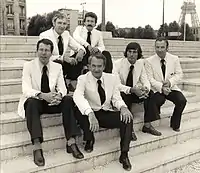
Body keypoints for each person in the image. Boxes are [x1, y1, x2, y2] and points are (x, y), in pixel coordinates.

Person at [17, 39, 84, 167]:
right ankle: (37, 146)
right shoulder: (28, 66)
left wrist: (58, 95)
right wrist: (42, 95)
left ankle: (71, 142)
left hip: (52, 101)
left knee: (68, 100)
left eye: (47, 50)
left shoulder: (57, 66)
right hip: (37, 101)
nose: (44, 53)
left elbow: (63, 88)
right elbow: (25, 89)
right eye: (41, 50)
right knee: (30, 102)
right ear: (37, 51)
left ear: (51, 52)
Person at [73, 52, 133, 171]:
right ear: (89, 66)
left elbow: (116, 98)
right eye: (93, 66)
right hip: (89, 112)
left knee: (127, 119)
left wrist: (123, 107)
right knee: (79, 110)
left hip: (104, 111)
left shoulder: (112, 78)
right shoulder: (83, 79)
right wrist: (90, 113)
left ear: (104, 67)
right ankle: (89, 139)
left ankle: (124, 154)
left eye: (99, 66)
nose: (96, 69)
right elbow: (78, 96)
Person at [113, 42, 162, 138]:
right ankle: (128, 128)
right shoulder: (117, 64)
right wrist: (132, 90)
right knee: (125, 96)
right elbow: (116, 85)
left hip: (135, 91)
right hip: (122, 92)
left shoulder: (140, 64)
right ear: (126, 53)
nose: (131, 54)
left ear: (138, 54)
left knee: (151, 94)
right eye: (129, 51)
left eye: (134, 52)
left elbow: (145, 80)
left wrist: (145, 89)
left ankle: (147, 125)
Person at [145, 37, 187, 132]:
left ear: (167, 48)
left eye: (162, 47)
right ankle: (153, 118)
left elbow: (179, 74)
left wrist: (170, 82)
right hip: (157, 88)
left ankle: (175, 124)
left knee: (182, 100)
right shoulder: (149, 61)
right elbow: (150, 79)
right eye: (157, 47)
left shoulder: (174, 59)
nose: (159, 50)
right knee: (158, 99)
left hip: (171, 87)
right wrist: (161, 87)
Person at [39, 12, 86, 90]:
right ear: (54, 23)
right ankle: (63, 85)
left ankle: (71, 81)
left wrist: (81, 51)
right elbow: (44, 56)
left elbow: (77, 46)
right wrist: (62, 58)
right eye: (59, 23)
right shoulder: (44, 35)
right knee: (58, 62)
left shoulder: (66, 34)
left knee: (81, 55)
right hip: (51, 64)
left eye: (64, 23)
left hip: (63, 64)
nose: (62, 26)